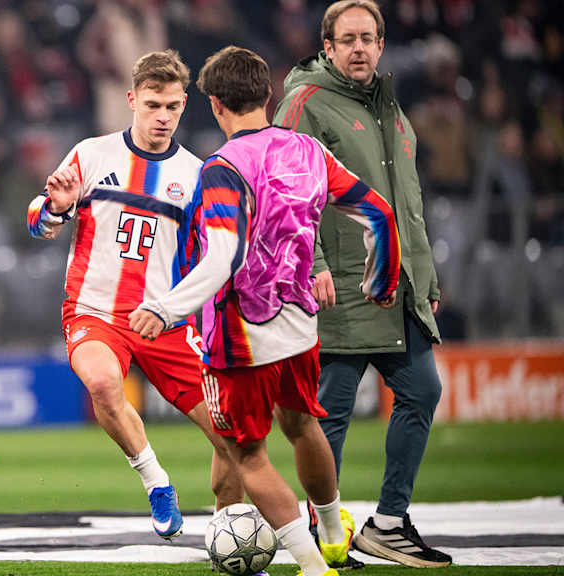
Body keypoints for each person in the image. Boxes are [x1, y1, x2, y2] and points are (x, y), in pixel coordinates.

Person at [130, 45, 400, 576]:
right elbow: (379, 213)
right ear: (269, 95)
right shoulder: (308, 151)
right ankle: (331, 539)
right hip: (301, 324)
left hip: (241, 334)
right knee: (304, 427)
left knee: (247, 454)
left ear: (213, 104)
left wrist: (165, 308)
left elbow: (224, 256)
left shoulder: (223, 169)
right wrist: (381, 281)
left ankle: (313, 567)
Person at [27, 49, 244, 541]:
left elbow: (215, 255)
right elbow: (38, 224)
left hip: (167, 321)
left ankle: (229, 531)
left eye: (170, 106)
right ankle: (155, 479)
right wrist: (57, 209)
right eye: (152, 105)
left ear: (184, 105)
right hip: (94, 312)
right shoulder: (90, 153)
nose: (161, 116)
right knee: (104, 384)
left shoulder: (198, 174)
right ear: (131, 100)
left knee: (232, 437)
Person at [274, 1, 453, 567]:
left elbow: (409, 207)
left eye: (368, 39)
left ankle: (389, 523)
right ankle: (321, 533)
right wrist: (317, 264)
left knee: (422, 392)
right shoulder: (305, 103)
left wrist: (423, 278)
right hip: (339, 288)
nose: (358, 48)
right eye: (347, 39)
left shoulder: (393, 113)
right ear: (326, 47)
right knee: (331, 414)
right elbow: (287, 190)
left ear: (381, 45)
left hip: (396, 287)